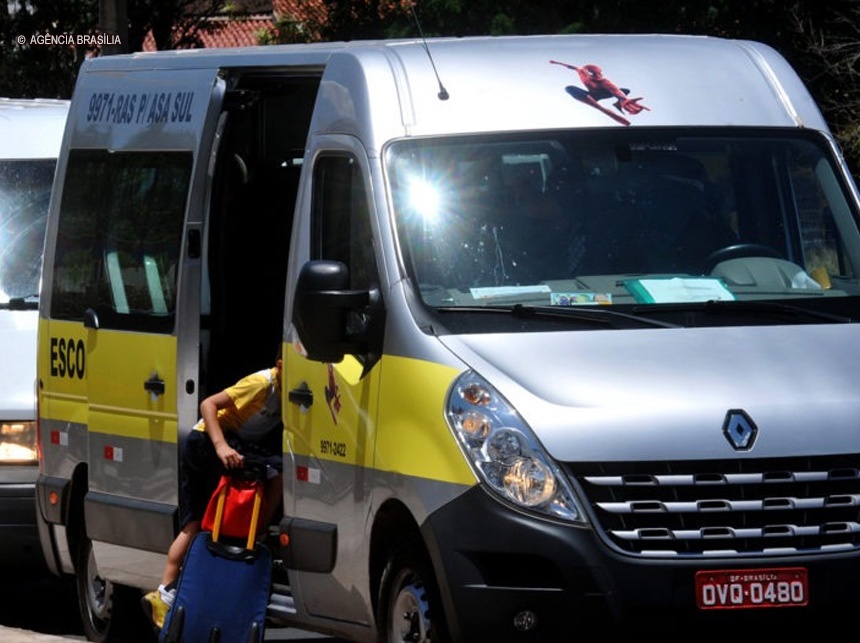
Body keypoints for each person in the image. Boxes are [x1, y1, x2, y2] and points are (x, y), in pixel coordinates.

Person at [141, 352, 284, 631]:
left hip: (219, 442)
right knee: (275, 471)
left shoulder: (285, 394)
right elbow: (209, 404)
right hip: (206, 442)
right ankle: (262, 531)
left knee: (194, 524)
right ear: (280, 365)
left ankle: (164, 595)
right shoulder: (261, 383)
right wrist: (220, 446)